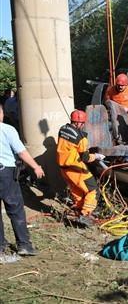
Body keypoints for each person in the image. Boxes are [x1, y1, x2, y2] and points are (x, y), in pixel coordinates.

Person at [0, 104, 45, 257]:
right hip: (5, 172)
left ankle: (1, 246)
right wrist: (36, 166)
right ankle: (24, 245)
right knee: (15, 208)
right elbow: (21, 152)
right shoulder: (7, 129)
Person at [56, 110, 104, 226]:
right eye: (82, 123)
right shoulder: (81, 137)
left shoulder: (62, 129)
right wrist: (96, 156)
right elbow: (86, 158)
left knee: (77, 190)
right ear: (79, 123)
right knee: (92, 189)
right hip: (75, 168)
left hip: (63, 168)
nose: (83, 126)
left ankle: (78, 209)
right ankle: (85, 215)